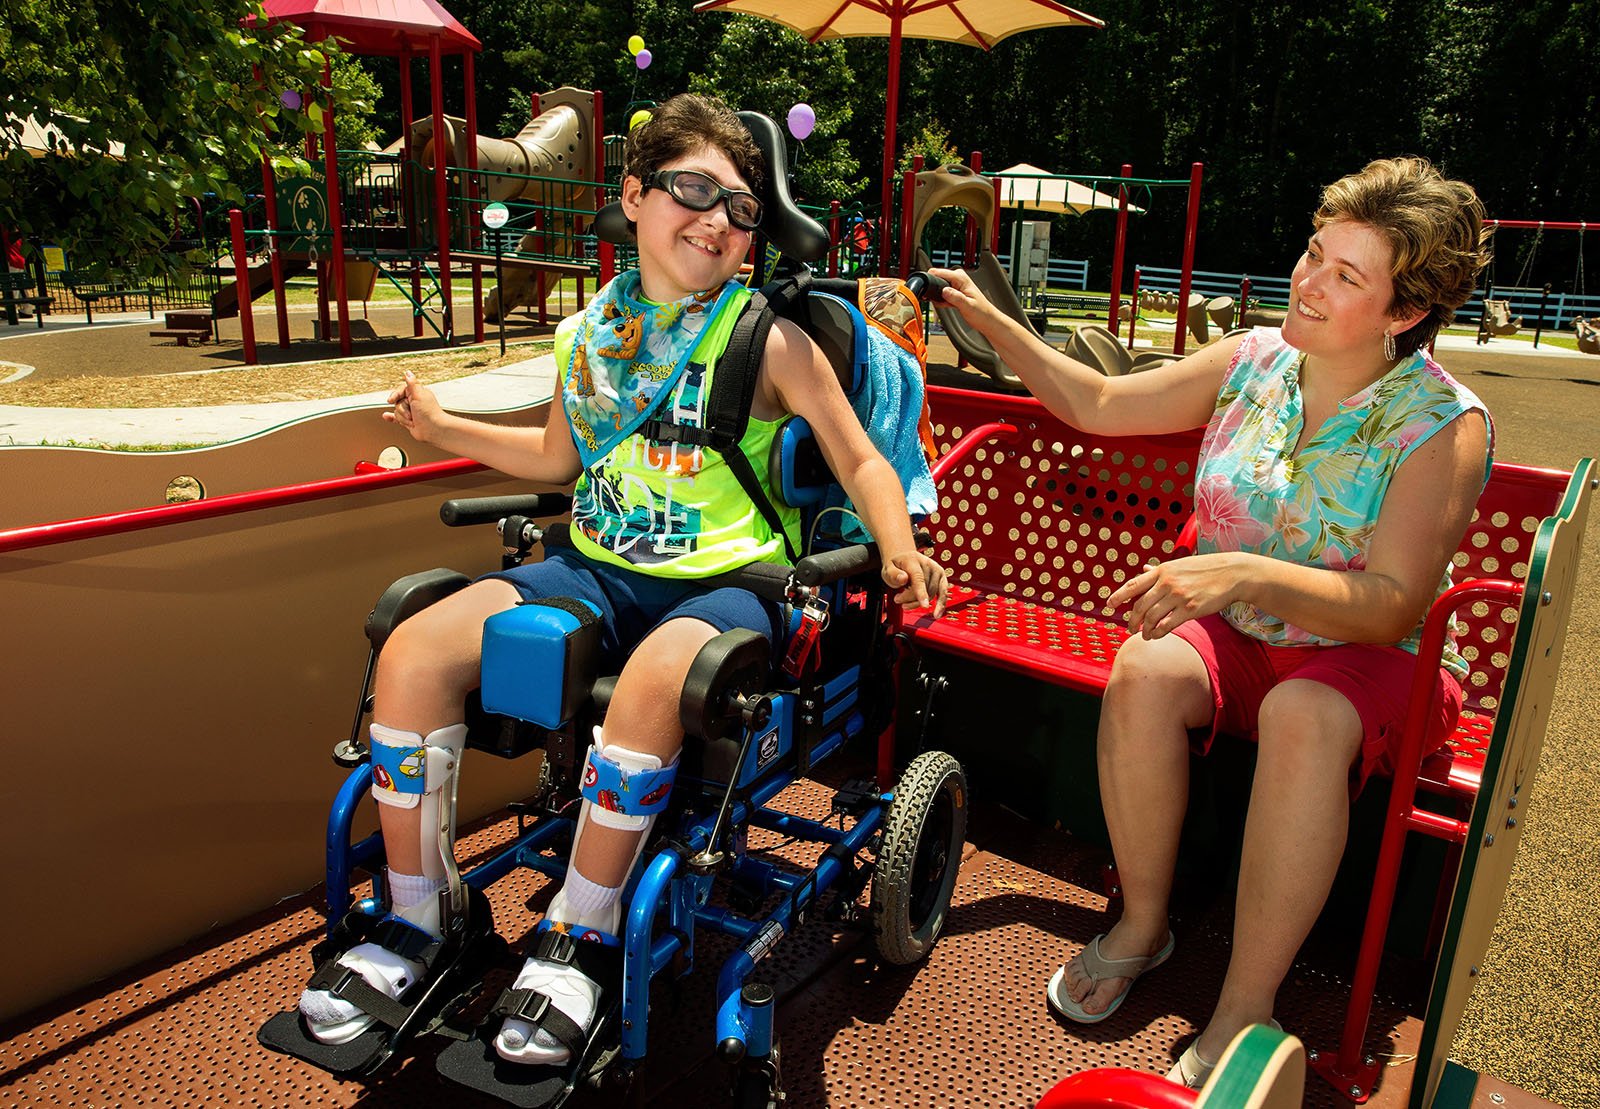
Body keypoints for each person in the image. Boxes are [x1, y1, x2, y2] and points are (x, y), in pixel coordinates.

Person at [297, 93, 948, 1067]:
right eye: (693, 191)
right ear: (636, 197)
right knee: (415, 643)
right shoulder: (593, 336)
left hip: (732, 581)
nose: (718, 219)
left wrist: (895, 543)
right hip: (598, 567)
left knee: (656, 671)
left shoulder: (768, 338)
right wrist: (442, 429)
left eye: (740, 209)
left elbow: (859, 462)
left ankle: (581, 935)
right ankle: (422, 915)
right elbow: (558, 458)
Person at [933, 156, 1491, 1088]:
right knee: (1146, 666)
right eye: (1314, 253)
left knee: (1302, 717)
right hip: (1249, 640)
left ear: (1405, 312)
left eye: (1346, 275)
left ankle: (1246, 1003)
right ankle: (1143, 924)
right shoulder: (1255, 362)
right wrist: (998, 330)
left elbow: (1395, 599)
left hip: (1369, 659)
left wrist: (1243, 572)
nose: (1307, 283)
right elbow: (1103, 405)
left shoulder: (1441, 423)